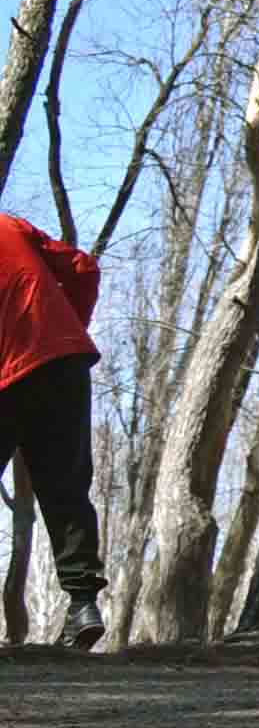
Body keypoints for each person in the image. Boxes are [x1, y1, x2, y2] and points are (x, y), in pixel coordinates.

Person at [0, 211, 109, 652]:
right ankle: (83, 604)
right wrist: (65, 329)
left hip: (8, 371)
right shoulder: (9, 223)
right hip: (63, 364)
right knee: (66, 490)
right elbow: (83, 267)